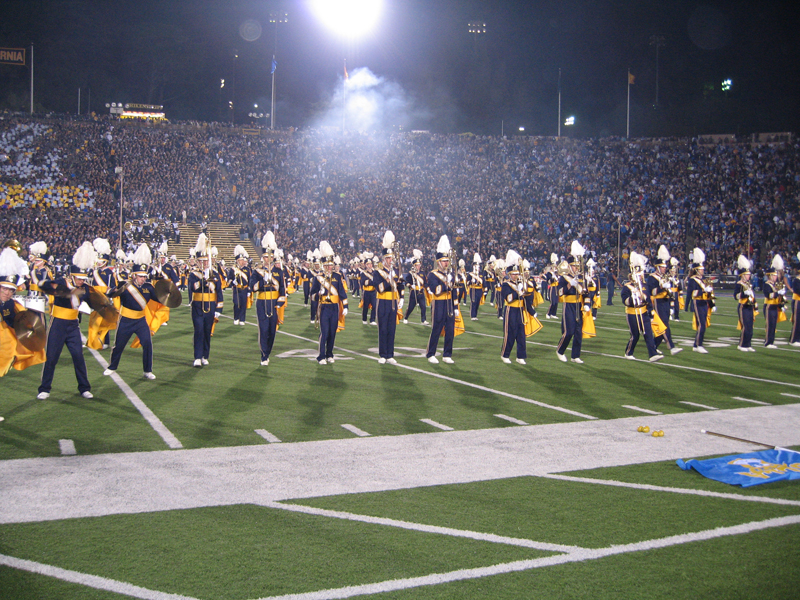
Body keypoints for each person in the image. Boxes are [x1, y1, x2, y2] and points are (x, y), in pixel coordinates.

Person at [36, 242, 96, 399]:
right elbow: (45, 286)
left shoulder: (85, 288)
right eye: (79, 278)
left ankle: (84, 388)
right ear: (72, 276)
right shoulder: (62, 282)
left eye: (83, 278)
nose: (81, 281)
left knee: (78, 356)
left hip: (73, 325)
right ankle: (44, 388)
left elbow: (94, 303)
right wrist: (59, 288)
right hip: (58, 323)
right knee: (52, 356)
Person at [103, 244, 161, 379]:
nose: (143, 278)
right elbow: (111, 294)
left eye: (144, 276)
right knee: (119, 345)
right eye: (140, 276)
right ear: (134, 275)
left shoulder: (148, 287)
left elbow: (158, 299)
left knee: (147, 343)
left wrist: (167, 294)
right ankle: (112, 366)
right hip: (126, 320)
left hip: (141, 320)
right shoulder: (125, 285)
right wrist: (113, 291)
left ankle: (147, 370)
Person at [1, 245, 46, 378]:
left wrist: (25, 329)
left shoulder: (9, 303)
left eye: (10, 290)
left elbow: (11, 321)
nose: (7, 292)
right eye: (4, 289)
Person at [250, 232, 286, 366]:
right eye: (265, 257)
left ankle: (268, 352)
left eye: (270, 257)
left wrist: (279, 304)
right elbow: (252, 287)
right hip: (262, 302)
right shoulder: (257, 271)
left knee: (272, 331)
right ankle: (263, 355)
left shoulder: (279, 272)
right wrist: (262, 282)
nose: (267, 259)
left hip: (274, 303)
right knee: (263, 330)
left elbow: (282, 289)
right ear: (263, 257)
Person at [310, 241, 348, 365]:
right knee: (325, 332)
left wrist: (345, 306)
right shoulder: (318, 277)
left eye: (331, 265)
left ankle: (329, 354)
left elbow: (342, 293)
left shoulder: (337, 277)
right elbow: (312, 295)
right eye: (327, 265)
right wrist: (318, 294)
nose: (329, 267)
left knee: (332, 332)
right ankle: (321, 356)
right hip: (324, 307)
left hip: (334, 307)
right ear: (323, 265)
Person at [188, 234, 223, 367]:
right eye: (201, 261)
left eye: (206, 261)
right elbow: (192, 287)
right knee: (198, 330)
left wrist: (219, 308)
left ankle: (205, 355)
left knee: (207, 331)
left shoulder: (215, 275)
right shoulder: (193, 274)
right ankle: (197, 356)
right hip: (197, 306)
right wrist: (202, 281)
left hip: (211, 305)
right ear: (198, 261)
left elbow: (219, 292)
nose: (204, 263)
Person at [621, 252, 663, 362]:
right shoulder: (627, 287)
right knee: (635, 335)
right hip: (632, 313)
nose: (641, 274)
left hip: (643, 312)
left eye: (641, 272)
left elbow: (648, 300)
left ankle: (652, 354)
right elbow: (625, 301)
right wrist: (633, 298)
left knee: (648, 333)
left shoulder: (645, 286)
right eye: (639, 273)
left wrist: (651, 312)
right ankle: (628, 352)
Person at [426, 235, 458, 364]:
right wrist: (446, 283)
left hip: (450, 303)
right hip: (439, 303)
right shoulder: (432, 274)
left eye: (447, 260)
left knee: (450, 329)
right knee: (437, 328)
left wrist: (455, 307)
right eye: (444, 261)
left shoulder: (451, 274)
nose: (446, 263)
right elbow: (436, 290)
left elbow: (455, 291)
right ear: (438, 262)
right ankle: (431, 353)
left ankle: (447, 354)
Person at [373, 231, 404, 364]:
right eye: (389, 258)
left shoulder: (396, 271)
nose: (391, 260)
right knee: (383, 328)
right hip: (383, 301)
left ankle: (390, 354)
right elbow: (379, 287)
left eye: (392, 258)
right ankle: (382, 354)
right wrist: (389, 278)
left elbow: (401, 284)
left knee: (392, 328)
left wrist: (401, 297)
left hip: (393, 301)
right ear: (384, 259)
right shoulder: (378, 272)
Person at [556, 242, 589, 364]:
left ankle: (575, 355)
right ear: (569, 266)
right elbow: (559, 292)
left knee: (578, 332)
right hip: (568, 305)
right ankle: (560, 351)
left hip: (578, 305)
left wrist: (587, 304)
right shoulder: (564, 277)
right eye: (574, 266)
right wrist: (570, 285)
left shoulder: (581, 277)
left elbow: (586, 293)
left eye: (577, 266)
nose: (577, 268)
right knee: (568, 331)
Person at [647, 246, 682, 355]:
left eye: (664, 267)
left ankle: (653, 346)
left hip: (666, 302)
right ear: (657, 267)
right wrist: (661, 287)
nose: (664, 268)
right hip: (658, 302)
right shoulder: (652, 277)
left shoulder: (665, 277)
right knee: (665, 324)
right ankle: (671, 346)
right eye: (662, 267)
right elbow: (651, 292)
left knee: (663, 326)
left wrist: (672, 305)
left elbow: (670, 293)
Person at [500, 250, 527, 365]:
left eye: (517, 273)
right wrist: (518, 292)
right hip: (510, 310)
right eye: (514, 274)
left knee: (521, 334)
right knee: (510, 333)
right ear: (510, 274)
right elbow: (509, 298)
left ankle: (520, 356)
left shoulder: (521, 283)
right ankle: (505, 354)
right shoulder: (506, 284)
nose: (516, 276)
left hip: (520, 309)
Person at [686, 247, 713, 354]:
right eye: (701, 269)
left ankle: (696, 345)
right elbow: (692, 293)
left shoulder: (703, 279)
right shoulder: (693, 280)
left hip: (704, 303)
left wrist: (711, 303)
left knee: (703, 324)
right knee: (701, 324)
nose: (703, 270)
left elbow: (708, 293)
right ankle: (699, 344)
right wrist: (703, 291)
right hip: (697, 303)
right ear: (697, 270)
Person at [734, 255, 757, 352]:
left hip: (749, 306)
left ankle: (748, 344)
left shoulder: (749, 284)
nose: (749, 276)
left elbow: (752, 296)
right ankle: (742, 344)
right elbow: (735, 296)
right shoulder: (739, 284)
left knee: (750, 326)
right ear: (743, 275)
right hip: (743, 306)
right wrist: (743, 294)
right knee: (745, 326)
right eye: (747, 274)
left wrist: (755, 305)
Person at [762, 255, 786, 349]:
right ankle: (768, 342)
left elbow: (779, 297)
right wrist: (777, 293)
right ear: (770, 276)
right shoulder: (766, 284)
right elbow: (769, 295)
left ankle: (771, 341)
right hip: (768, 306)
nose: (776, 277)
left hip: (775, 306)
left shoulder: (776, 284)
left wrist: (781, 304)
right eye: (774, 275)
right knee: (770, 324)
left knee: (774, 325)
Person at [403, 249, 428, 324]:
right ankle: (406, 317)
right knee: (411, 307)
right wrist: (410, 285)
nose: (419, 266)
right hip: (413, 292)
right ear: (414, 265)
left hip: (421, 291)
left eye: (419, 265)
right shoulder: (411, 273)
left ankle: (423, 320)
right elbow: (406, 282)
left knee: (423, 306)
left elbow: (425, 282)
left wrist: (428, 288)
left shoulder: (422, 273)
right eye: (417, 265)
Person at [229, 245, 252, 325]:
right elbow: (229, 280)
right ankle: (236, 318)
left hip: (244, 289)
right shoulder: (233, 269)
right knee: (236, 303)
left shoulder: (247, 269)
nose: (242, 261)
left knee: (243, 304)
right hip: (236, 289)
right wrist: (233, 282)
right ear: (237, 261)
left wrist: (249, 290)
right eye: (240, 260)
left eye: (243, 260)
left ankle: (242, 319)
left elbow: (250, 280)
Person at [360, 253, 377, 325]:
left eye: (371, 264)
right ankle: (364, 319)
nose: (370, 265)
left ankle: (372, 319)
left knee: (375, 305)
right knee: (365, 306)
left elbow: (376, 281)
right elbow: (364, 282)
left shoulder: (375, 273)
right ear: (366, 265)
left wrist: (371, 282)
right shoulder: (363, 273)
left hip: (373, 291)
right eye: (368, 264)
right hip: (366, 291)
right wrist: (371, 281)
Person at [466, 253, 484, 321]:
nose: (477, 268)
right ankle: (472, 315)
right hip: (473, 289)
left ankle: (475, 314)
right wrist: (471, 281)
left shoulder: (481, 274)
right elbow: (467, 282)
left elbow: (483, 282)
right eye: (476, 266)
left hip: (479, 289)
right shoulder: (471, 274)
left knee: (477, 302)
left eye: (478, 266)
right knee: (473, 301)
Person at [790, 252, 800, 347]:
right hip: (798, 301)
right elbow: (797, 290)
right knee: (797, 320)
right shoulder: (797, 280)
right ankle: (794, 339)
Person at [545, 253, 560, 319]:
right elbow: (548, 281)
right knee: (553, 302)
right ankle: (548, 313)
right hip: (552, 287)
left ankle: (553, 314)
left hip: (557, 287)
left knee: (556, 302)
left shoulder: (557, 273)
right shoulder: (549, 273)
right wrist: (552, 277)